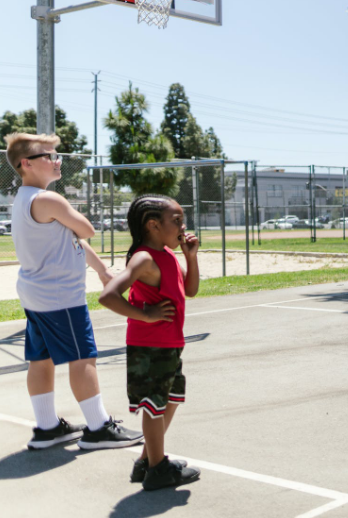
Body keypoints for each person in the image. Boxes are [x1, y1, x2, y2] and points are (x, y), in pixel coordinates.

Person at [4, 132, 144, 450]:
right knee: (83, 358)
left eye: (58, 155)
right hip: (59, 296)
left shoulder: (24, 199)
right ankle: (98, 428)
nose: (57, 161)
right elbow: (87, 229)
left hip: (36, 293)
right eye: (49, 156)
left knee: (41, 360)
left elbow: (72, 237)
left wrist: (100, 269)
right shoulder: (48, 200)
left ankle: (47, 427)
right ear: (26, 163)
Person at [99, 194, 201, 491]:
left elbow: (191, 290)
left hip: (170, 343)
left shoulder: (168, 255)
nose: (183, 227)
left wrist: (190, 256)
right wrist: (145, 314)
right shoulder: (144, 257)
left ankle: (148, 460)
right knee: (153, 406)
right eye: (177, 221)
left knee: (169, 401)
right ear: (154, 225)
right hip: (150, 345)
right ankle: (157, 470)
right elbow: (108, 296)